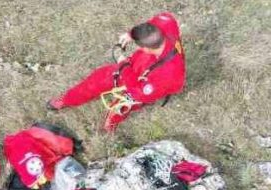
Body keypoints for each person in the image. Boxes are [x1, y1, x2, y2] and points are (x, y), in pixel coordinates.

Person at [49, 12, 186, 132]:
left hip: (152, 81)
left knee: (127, 101)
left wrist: (123, 63)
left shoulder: (168, 75)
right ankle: (68, 99)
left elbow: (138, 92)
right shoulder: (168, 25)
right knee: (99, 79)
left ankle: (114, 116)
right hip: (144, 63)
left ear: (145, 48)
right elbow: (160, 20)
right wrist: (131, 34)